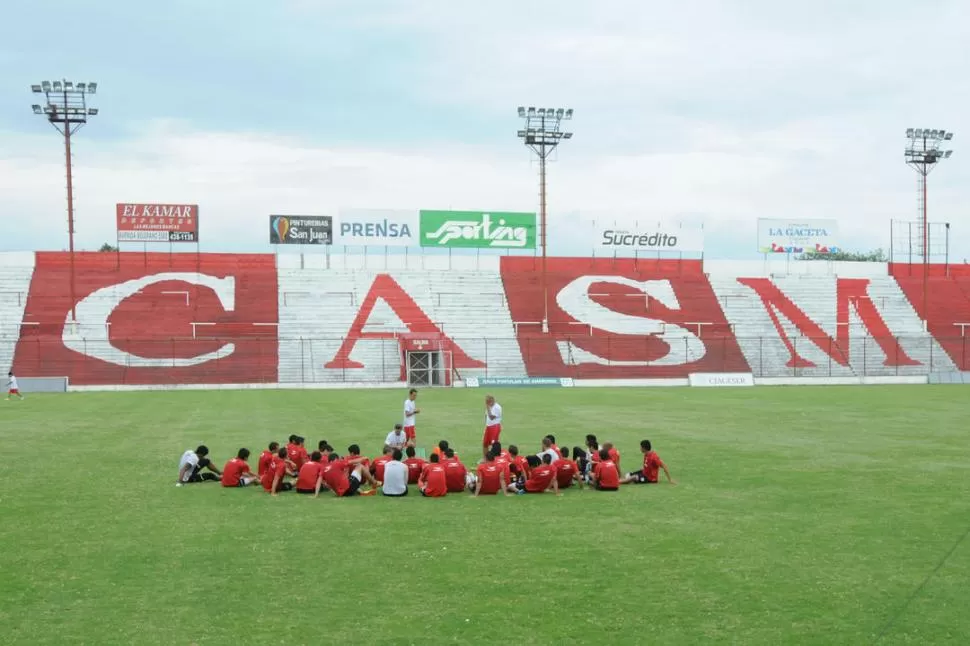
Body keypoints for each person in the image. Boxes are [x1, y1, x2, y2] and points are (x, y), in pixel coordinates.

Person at [482, 395, 503, 459]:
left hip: (495, 427)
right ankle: (485, 458)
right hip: (488, 427)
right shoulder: (489, 406)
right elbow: (486, 416)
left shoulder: (497, 407)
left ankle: (495, 459)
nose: (487, 403)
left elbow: (491, 417)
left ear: (492, 401)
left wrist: (488, 407)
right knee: (485, 443)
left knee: (494, 445)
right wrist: (486, 426)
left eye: (488, 402)